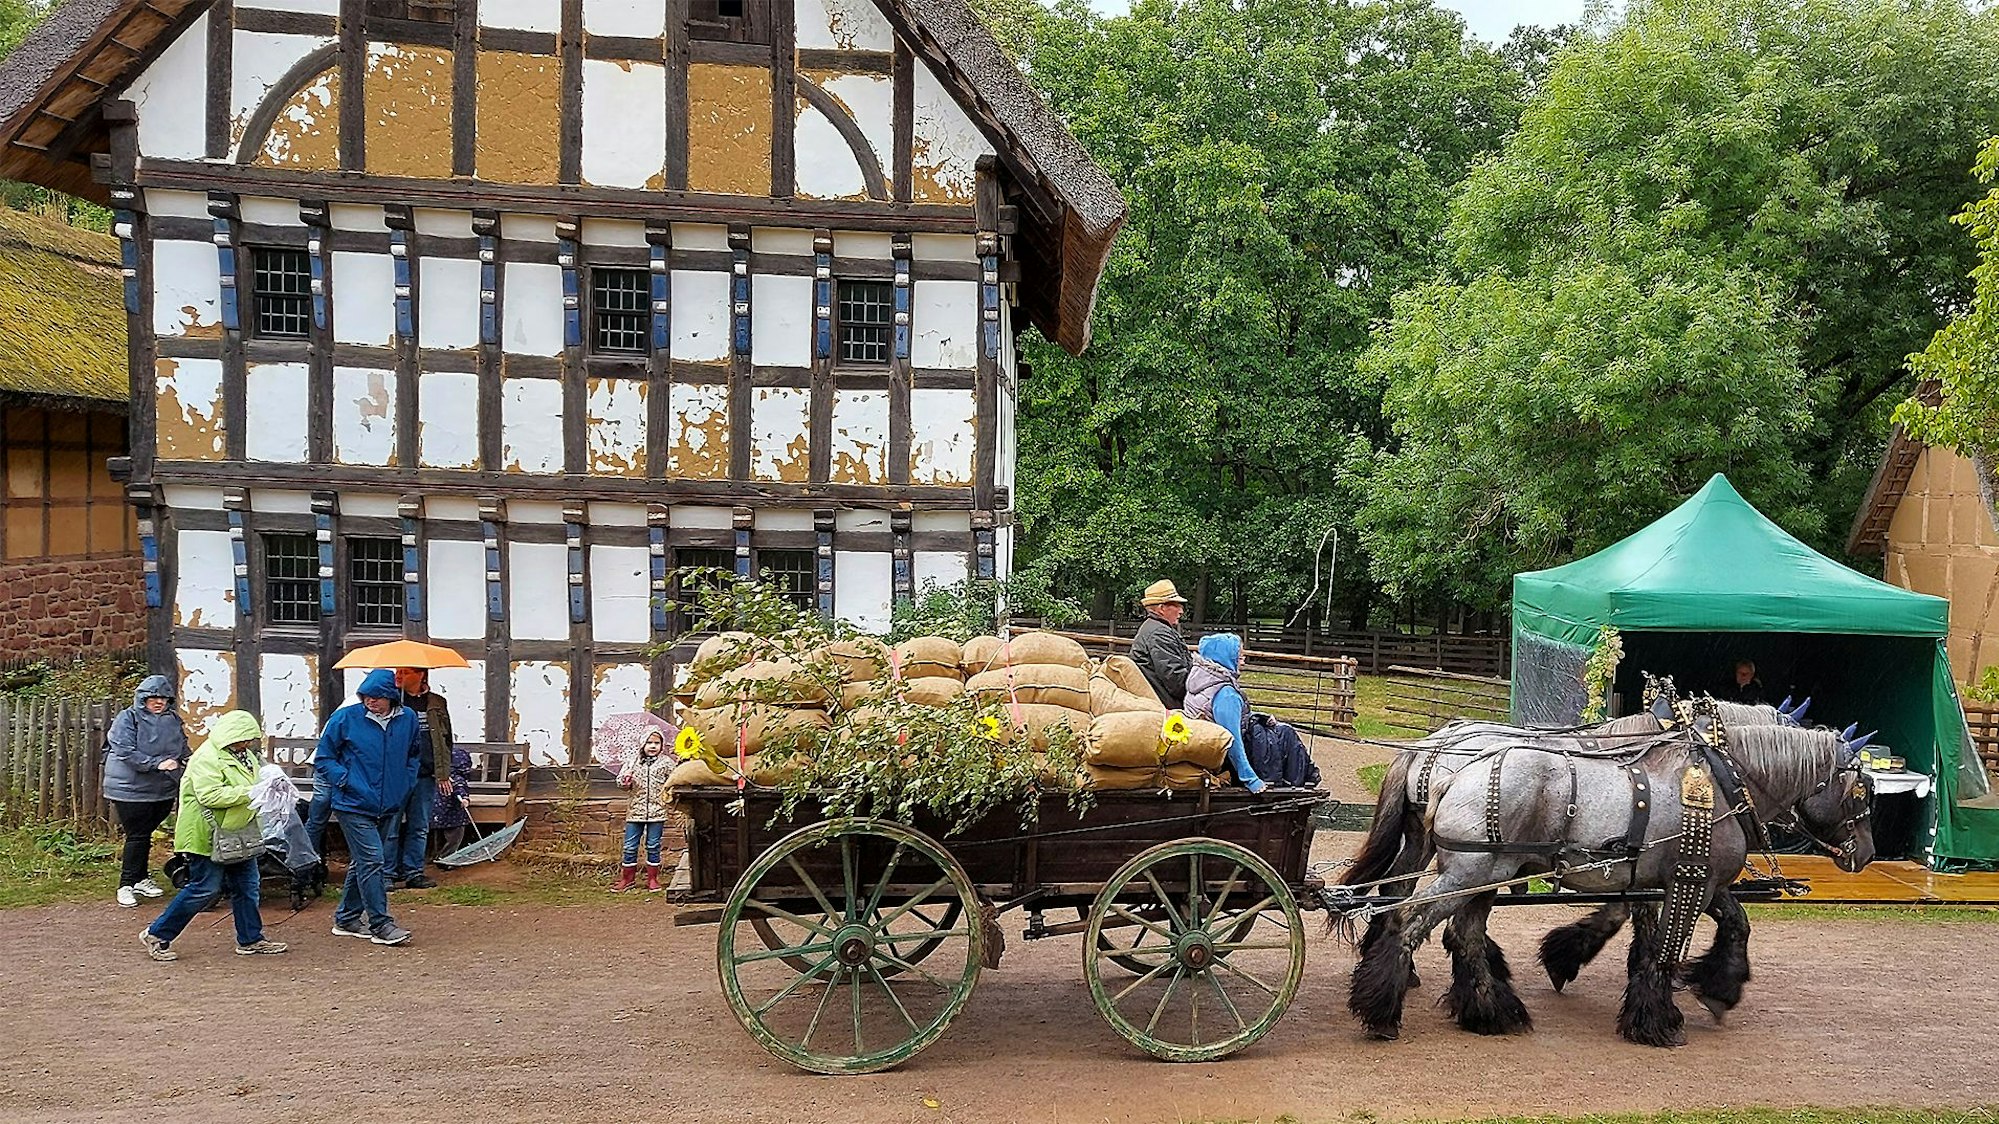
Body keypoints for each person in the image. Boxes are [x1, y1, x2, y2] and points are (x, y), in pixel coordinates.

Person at [139, 710, 289, 961]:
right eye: (243, 739)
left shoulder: (246, 756)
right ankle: (156, 934)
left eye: (250, 739)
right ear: (232, 736)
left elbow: (258, 780)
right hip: (206, 834)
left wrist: (273, 782)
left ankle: (250, 939)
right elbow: (210, 795)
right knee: (204, 888)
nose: (247, 743)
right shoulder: (207, 757)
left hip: (238, 832)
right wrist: (253, 792)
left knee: (247, 886)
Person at [315, 669, 422, 946]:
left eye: (376, 697)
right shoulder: (345, 718)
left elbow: (413, 755)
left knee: (364, 861)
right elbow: (323, 758)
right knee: (373, 860)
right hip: (352, 802)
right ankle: (381, 924)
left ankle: (347, 919)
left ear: (391, 697)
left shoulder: (408, 719)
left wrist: (405, 784)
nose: (370, 701)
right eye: (366, 696)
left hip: (390, 802)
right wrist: (345, 780)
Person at [102, 675, 192, 908]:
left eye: (163, 698)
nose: (159, 702)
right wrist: (156, 764)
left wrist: (192, 761)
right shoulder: (128, 718)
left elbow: (182, 746)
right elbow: (124, 750)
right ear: (142, 698)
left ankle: (140, 879)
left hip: (162, 787)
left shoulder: (173, 720)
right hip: (129, 788)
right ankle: (126, 885)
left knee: (144, 834)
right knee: (138, 835)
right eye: (153, 697)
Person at [389, 667, 454, 891]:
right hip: (396, 776)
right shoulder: (392, 701)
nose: (398, 676)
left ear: (421, 675)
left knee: (419, 827)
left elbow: (445, 739)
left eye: (405, 672)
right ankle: (387, 873)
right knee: (391, 825)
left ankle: (414, 873)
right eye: (397, 672)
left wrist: (443, 772)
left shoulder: (436, 702)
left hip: (425, 775)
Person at [1182, 633, 1267, 794]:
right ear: (1225, 658)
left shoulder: (1202, 681)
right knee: (1281, 736)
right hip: (1221, 758)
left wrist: (1261, 717)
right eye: (1239, 656)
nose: (1243, 661)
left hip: (1202, 750)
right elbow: (1231, 739)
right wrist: (1250, 779)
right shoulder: (1225, 694)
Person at [615, 730, 675, 893]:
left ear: (662, 745)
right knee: (630, 846)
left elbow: (674, 781)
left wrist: (669, 795)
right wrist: (625, 781)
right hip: (635, 811)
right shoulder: (632, 762)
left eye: (657, 743)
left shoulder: (666, 763)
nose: (653, 746)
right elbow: (621, 784)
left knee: (653, 845)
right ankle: (627, 879)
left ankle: (653, 879)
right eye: (649, 743)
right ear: (642, 744)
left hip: (657, 811)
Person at [1131, 579, 1193, 708]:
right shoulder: (1159, 634)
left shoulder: (1154, 628)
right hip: (1165, 707)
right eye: (1177, 605)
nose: (1181, 611)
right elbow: (1176, 681)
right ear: (1161, 608)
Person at [430, 743, 476, 860]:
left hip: (436, 814)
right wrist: (465, 799)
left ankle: (436, 855)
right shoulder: (457, 778)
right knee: (454, 838)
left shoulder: (437, 778)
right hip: (454, 816)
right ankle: (447, 858)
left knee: (438, 836)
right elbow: (460, 789)